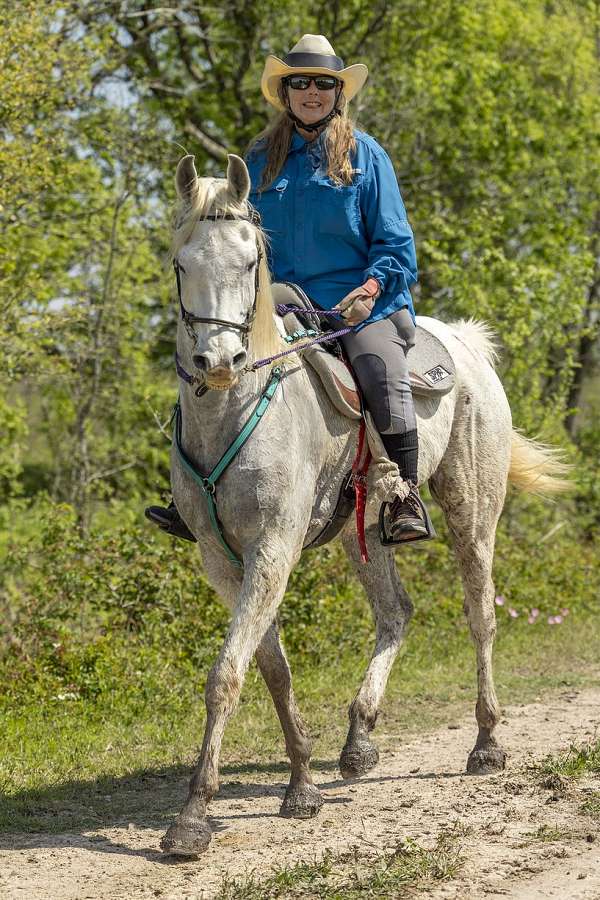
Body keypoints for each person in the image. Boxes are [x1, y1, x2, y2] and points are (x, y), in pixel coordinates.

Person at [146, 34, 431, 544]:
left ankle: (405, 494)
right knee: (210, 356)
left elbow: (397, 245)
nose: (312, 91)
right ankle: (189, 493)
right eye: (300, 82)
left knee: (379, 370)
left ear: (338, 93)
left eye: (324, 83)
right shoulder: (258, 161)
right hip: (281, 299)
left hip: (358, 304)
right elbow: (234, 240)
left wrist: (370, 288)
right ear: (286, 91)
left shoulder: (366, 157)